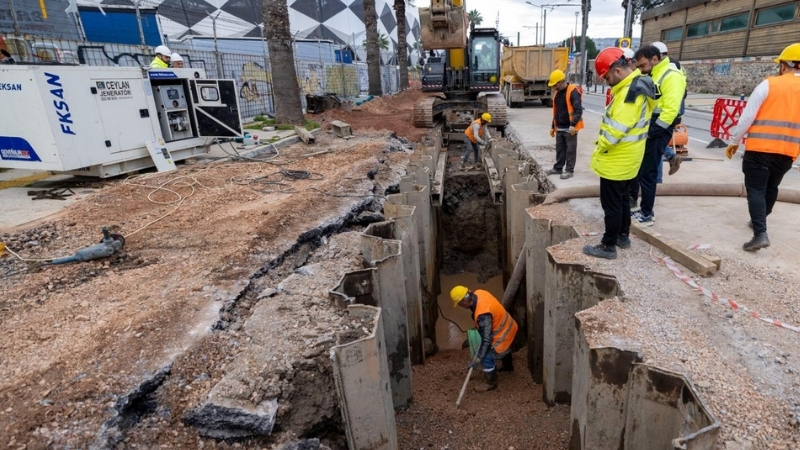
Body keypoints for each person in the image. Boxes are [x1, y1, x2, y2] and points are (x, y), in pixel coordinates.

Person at [583, 47, 657, 259]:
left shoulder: (628, 94)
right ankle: (623, 236)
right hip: (629, 158)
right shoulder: (636, 86)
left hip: (616, 160)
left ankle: (609, 246)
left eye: (606, 77)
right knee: (623, 200)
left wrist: (601, 146)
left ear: (616, 71)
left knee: (612, 205)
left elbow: (615, 132)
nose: (606, 81)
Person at [726, 43, 800, 251]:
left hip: (760, 149)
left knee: (756, 189)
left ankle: (760, 233)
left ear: (785, 65)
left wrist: (734, 141)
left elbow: (747, 117)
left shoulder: (769, 85)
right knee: (771, 187)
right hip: (788, 152)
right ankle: (759, 221)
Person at [628, 45, 686, 226]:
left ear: (655, 59)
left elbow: (670, 111)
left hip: (660, 127)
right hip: (651, 124)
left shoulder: (671, 76)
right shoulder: (653, 73)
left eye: (643, 65)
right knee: (643, 169)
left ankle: (647, 214)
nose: (641, 69)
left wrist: (652, 132)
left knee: (649, 172)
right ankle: (644, 209)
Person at [450, 285, 517, 392]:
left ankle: (491, 383)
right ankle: (508, 366)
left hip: (503, 335)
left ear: (463, 302)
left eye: (459, 304)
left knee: (485, 356)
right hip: (510, 326)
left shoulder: (482, 314)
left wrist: (477, 360)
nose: (460, 306)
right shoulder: (480, 292)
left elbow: (486, 340)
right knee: (500, 347)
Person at [545, 69, 584, 180]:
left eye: (555, 84)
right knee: (560, 149)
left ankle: (569, 170)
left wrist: (573, 125)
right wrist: (553, 126)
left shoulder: (573, 91)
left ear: (561, 81)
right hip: (560, 127)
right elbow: (556, 111)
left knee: (570, 150)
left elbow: (578, 110)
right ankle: (558, 168)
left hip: (570, 127)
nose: (554, 87)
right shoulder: (557, 93)